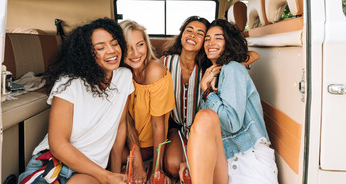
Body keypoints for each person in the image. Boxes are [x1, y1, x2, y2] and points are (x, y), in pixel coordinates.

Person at [18, 18, 134, 184]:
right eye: (100, 48)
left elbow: (119, 126)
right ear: (87, 53)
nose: (111, 51)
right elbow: (57, 144)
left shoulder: (124, 77)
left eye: (114, 44)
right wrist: (107, 177)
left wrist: (114, 174)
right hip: (54, 164)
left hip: (91, 172)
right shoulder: (69, 83)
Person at [186, 19, 278, 184]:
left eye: (218, 38)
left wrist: (206, 92)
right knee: (204, 118)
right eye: (207, 39)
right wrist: (187, 160)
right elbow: (203, 132)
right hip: (226, 157)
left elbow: (231, 123)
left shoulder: (233, 69)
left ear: (229, 42)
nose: (210, 43)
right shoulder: (211, 75)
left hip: (247, 157)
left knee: (206, 117)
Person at [119, 20, 175, 183]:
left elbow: (158, 126)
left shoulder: (155, 71)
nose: (135, 53)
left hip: (151, 144)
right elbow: (126, 121)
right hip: (130, 140)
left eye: (140, 44)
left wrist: (157, 169)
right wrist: (135, 160)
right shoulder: (123, 73)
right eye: (128, 47)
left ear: (147, 45)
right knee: (99, 153)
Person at [161, 16, 210, 179]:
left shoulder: (209, 66)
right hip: (175, 125)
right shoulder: (164, 63)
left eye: (200, 33)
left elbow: (250, 57)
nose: (192, 35)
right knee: (174, 166)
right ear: (181, 35)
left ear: (205, 41)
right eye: (189, 30)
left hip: (201, 128)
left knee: (197, 167)